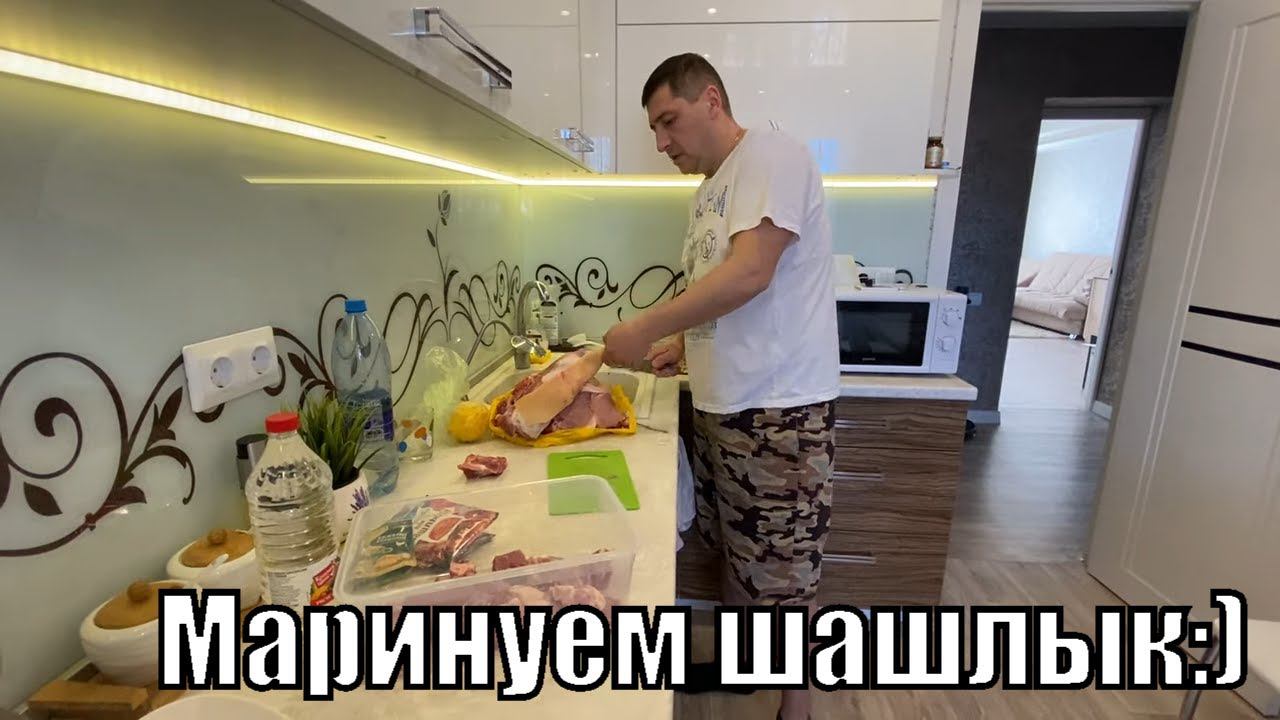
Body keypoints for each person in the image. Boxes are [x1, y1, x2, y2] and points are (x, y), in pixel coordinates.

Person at [602, 53, 839, 720]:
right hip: (726, 409)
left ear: (711, 100)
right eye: (654, 129)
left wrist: (644, 327)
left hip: (778, 413)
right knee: (742, 557)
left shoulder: (771, 155)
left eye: (668, 121)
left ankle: (798, 710)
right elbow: (723, 291)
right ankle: (744, 671)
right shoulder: (710, 189)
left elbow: (751, 273)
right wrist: (684, 341)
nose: (661, 142)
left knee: (784, 573)